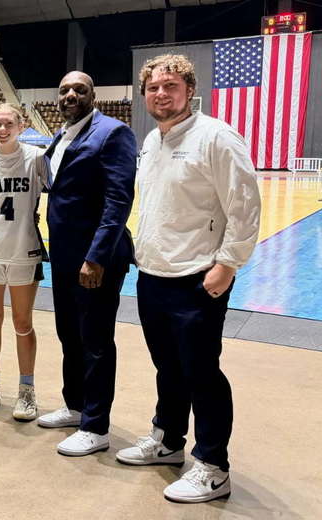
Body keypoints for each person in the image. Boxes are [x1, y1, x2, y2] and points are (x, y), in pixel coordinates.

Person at [118, 54, 261, 504]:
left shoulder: (216, 137)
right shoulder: (152, 141)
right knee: (169, 369)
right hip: (154, 275)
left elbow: (245, 205)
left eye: (171, 85)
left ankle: (214, 466)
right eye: (154, 88)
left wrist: (228, 264)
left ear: (189, 90)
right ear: (145, 95)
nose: (162, 93)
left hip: (197, 278)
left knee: (202, 373)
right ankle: (167, 440)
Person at [39, 71, 137, 458]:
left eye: (79, 89)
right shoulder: (61, 136)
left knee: (95, 340)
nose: (70, 95)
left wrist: (96, 256)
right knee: (69, 334)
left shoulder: (112, 133)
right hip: (63, 256)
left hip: (95, 259)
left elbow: (118, 200)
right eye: (63, 89)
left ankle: (96, 426)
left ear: (93, 95)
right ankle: (75, 405)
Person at [0, 103, 49, 420]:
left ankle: (27, 392)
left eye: (8, 123)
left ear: (21, 125)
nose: (2, 129)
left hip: (23, 251)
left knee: (22, 323)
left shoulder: (36, 158)